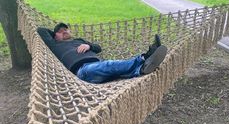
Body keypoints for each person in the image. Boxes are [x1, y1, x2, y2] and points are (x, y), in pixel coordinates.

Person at [37, 23, 167, 84]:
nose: (64, 32)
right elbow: (41, 29)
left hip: (98, 70)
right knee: (110, 65)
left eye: (66, 30)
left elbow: (98, 48)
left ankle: (141, 69)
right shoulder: (54, 45)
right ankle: (145, 57)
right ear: (54, 36)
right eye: (60, 31)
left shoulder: (79, 41)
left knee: (115, 71)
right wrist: (56, 35)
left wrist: (88, 45)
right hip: (83, 72)